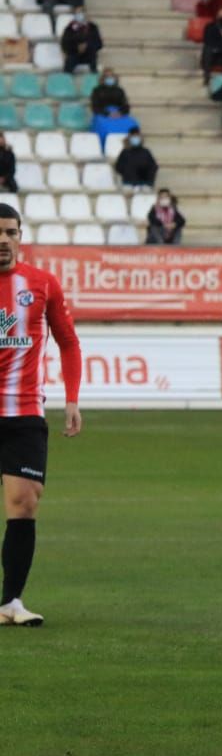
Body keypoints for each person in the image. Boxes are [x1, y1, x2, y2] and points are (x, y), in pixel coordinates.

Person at [0, 203, 83, 628]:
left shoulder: (42, 284)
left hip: (24, 412)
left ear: (20, 236)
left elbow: (68, 342)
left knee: (25, 502)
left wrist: (72, 398)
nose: (2, 240)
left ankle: (11, 602)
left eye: (10, 232)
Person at [59, 6, 101, 74]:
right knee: (69, 60)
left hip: (89, 54)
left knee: (93, 57)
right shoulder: (69, 28)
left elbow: (99, 44)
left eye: (81, 12)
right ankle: (65, 80)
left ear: (85, 14)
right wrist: (76, 47)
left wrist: (86, 46)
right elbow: (64, 44)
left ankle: (94, 78)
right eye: (77, 13)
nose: (79, 15)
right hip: (74, 53)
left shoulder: (93, 27)